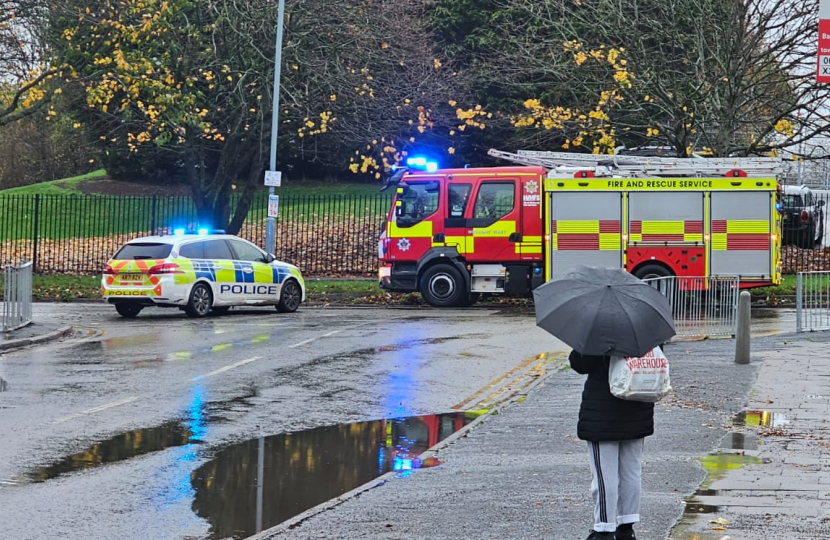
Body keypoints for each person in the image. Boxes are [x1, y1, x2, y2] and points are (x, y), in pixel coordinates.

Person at [569, 350, 655, 540]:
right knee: (631, 471)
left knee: (604, 476)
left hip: (602, 412)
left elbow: (579, 364)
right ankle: (626, 527)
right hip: (637, 405)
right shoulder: (643, 329)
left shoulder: (599, 331)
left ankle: (604, 530)